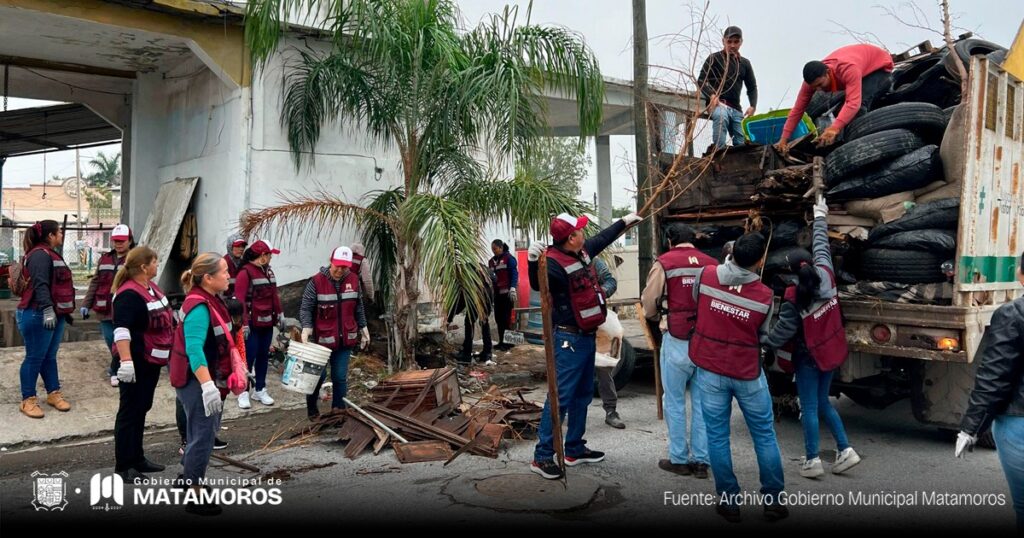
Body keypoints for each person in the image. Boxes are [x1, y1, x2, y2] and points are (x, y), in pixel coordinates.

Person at [527, 211, 641, 480]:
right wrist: (533, 262)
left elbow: (604, 237)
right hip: (568, 339)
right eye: (579, 230)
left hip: (587, 334)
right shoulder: (552, 263)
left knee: (581, 395)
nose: (585, 234)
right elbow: (537, 284)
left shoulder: (583, 251)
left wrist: (624, 222)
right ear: (570, 238)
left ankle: (574, 448)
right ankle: (542, 456)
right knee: (561, 398)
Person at [690, 232, 788, 523]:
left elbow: (699, 304)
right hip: (746, 372)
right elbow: (763, 335)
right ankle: (773, 501)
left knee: (718, 437)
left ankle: (729, 502)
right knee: (764, 435)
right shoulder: (765, 295)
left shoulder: (705, 275)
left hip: (710, 368)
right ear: (760, 261)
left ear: (731, 253)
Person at [764, 197, 861, 479]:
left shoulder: (795, 296)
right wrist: (820, 216)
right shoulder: (828, 276)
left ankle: (812, 460)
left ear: (793, 271)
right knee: (821, 403)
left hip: (808, 357)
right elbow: (821, 245)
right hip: (831, 352)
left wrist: (764, 341)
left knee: (808, 408)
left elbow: (784, 331)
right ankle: (845, 450)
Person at [641, 223, 717, 479]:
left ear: (670, 241)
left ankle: (679, 459)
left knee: (673, 401)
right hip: (706, 341)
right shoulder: (711, 263)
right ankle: (701, 461)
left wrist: (655, 317)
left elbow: (649, 303)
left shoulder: (664, 262)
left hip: (676, 339)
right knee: (702, 403)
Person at [956, 251, 1024, 530]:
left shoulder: (1012, 313)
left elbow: (993, 377)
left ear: (1020, 274)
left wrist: (970, 429)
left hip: (1017, 424)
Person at [168, 253, 234, 516]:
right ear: (208, 277)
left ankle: (187, 476)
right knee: (203, 436)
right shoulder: (199, 306)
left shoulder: (209, 299)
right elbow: (194, 349)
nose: (229, 275)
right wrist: (207, 386)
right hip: (197, 379)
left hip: (203, 377)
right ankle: (196, 494)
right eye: (224, 271)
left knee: (202, 431)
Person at [111, 246, 174, 481]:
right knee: (129, 412)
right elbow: (121, 330)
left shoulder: (151, 288)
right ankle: (124, 465)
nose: (157, 265)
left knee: (142, 408)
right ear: (143, 267)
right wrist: (126, 362)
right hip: (135, 362)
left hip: (151, 361)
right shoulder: (128, 294)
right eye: (155, 262)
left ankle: (137, 458)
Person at [776, 43, 894, 151]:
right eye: (814, 87)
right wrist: (783, 139)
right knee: (841, 113)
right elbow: (798, 110)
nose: (818, 90)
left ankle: (863, 146)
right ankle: (843, 143)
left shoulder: (847, 69)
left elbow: (853, 103)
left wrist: (834, 129)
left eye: (820, 85)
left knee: (858, 107)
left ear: (828, 72)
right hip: (860, 68)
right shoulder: (810, 84)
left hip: (879, 68)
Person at [300, 247, 369, 419]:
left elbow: (358, 307)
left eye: (344, 267)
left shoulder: (353, 280)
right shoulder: (316, 282)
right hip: (322, 340)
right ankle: (312, 407)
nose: (340, 270)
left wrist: (364, 327)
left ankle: (338, 410)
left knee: (339, 377)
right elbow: (306, 308)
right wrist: (307, 327)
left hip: (345, 339)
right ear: (331, 261)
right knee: (318, 376)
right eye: (337, 266)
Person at [17, 220, 74, 419]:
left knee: (49, 357)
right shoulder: (39, 256)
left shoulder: (49, 253)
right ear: (50, 236)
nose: (61, 235)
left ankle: (53, 393)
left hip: (54, 314)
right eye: (59, 232)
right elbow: (41, 285)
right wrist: (48, 310)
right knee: (34, 357)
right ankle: (28, 399)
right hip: (37, 313)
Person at [83, 224, 135, 387]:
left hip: (125, 309)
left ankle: (115, 370)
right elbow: (96, 282)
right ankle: (118, 366)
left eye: (122, 241)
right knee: (110, 339)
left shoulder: (134, 259)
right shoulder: (104, 258)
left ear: (130, 241)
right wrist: (86, 303)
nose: (118, 244)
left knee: (121, 341)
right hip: (104, 308)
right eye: (115, 241)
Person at [234, 240, 283, 409]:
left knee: (263, 356)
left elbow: (274, 296)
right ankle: (243, 391)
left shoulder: (268, 272)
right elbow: (240, 301)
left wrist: (280, 313)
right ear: (262, 256)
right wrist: (244, 324)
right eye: (269, 255)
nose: (271, 258)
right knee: (248, 357)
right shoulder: (245, 274)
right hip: (251, 325)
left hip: (267, 323)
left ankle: (260, 389)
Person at [697, 26, 758, 149]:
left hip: (735, 108)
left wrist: (753, 105)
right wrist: (712, 95)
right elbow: (701, 80)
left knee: (741, 138)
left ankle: (739, 161)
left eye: (736, 42)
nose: (732, 45)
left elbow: (752, 87)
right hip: (719, 104)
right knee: (721, 117)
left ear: (741, 42)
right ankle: (718, 153)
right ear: (723, 41)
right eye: (729, 41)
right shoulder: (714, 58)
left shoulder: (744, 63)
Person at [592, 256, 625, 429]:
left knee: (604, 368)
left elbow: (610, 281)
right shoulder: (559, 261)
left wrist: (600, 293)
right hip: (570, 325)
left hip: (596, 322)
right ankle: (560, 412)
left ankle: (611, 411)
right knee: (568, 372)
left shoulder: (592, 261)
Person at [446, 264, 494, 365]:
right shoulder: (472, 268)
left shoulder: (463, 276)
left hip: (479, 298)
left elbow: (461, 300)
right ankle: (487, 353)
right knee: (484, 324)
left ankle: (467, 355)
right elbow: (494, 278)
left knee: (469, 322)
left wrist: (449, 318)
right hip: (487, 297)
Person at [489, 239, 519, 350]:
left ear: (501, 248)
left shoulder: (509, 259)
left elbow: (514, 273)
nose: (494, 251)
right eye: (492, 249)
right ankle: (501, 342)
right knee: (499, 319)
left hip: (507, 295)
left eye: (495, 249)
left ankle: (509, 343)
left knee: (507, 319)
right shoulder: (491, 261)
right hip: (497, 296)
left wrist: (513, 288)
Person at [223, 234, 246, 299]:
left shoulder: (243, 263)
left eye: (243, 246)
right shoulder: (224, 263)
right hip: (227, 302)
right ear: (230, 247)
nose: (241, 249)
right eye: (238, 246)